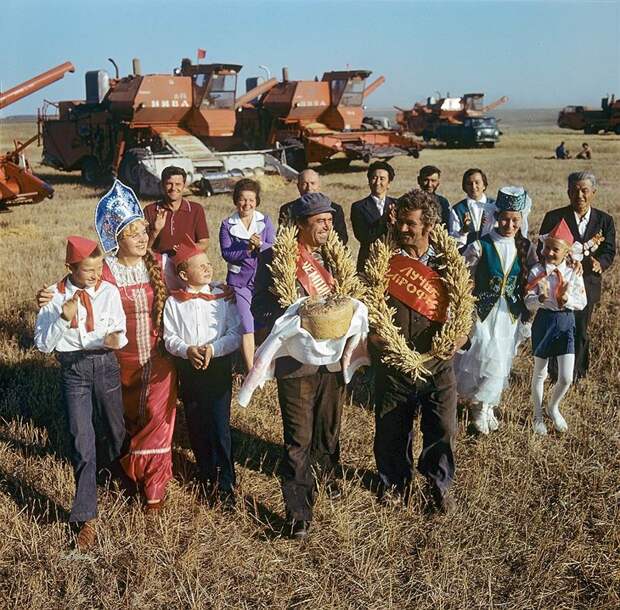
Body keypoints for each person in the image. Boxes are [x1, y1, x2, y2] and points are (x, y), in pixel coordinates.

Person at [253, 192, 348, 539]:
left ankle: (326, 480)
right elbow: (258, 307)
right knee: (298, 437)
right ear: (300, 226)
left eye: (329, 220)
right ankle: (298, 514)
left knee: (328, 429)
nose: (327, 226)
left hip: (333, 361)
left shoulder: (334, 257)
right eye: (319, 221)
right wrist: (289, 320)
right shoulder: (275, 258)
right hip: (296, 364)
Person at [370, 189, 468, 512]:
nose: (403, 229)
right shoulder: (384, 260)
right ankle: (395, 484)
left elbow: (468, 311)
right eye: (400, 222)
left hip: (437, 365)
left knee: (441, 428)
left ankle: (438, 485)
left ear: (428, 226)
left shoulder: (448, 264)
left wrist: (459, 336)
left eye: (410, 224)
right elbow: (366, 302)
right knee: (391, 430)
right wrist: (373, 333)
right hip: (394, 366)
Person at [34, 236, 127, 550]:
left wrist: (116, 339)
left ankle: (112, 474)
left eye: (99, 267)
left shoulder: (109, 291)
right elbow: (44, 345)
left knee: (116, 430)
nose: (96, 275)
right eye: (88, 270)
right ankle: (86, 516)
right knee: (80, 439)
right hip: (73, 370)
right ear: (69, 267)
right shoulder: (52, 296)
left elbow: (119, 329)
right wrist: (63, 318)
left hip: (106, 364)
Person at [163, 239, 242, 504]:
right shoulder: (174, 303)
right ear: (184, 275)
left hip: (217, 367)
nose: (208, 269)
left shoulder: (223, 297)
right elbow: (169, 337)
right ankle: (206, 472)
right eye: (201, 266)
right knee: (196, 422)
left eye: (209, 264)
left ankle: (226, 482)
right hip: (189, 367)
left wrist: (214, 348)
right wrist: (187, 350)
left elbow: (235, 333)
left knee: (219, 424)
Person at [454, 187, 536, 434]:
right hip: (483, 311)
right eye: (505, 219)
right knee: (480, 356)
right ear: (495, 216)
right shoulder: (482, 245)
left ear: (522, 220)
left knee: (500, 359)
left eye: (515, 220)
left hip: (508, 313)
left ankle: (488, 405)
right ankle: (478, 407)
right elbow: (461, 270)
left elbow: (536, 274)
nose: (509, 224)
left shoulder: (525, 247)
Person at [538, 171, 616, 380]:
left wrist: (601, 264)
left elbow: (609, 250)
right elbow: (542, 249)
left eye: (584, 191)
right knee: (557, 326)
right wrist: (562, 261)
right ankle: (554, 372)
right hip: (559, 283)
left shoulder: (604, 220)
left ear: (594, 192)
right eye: (574, 191)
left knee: (580, 329)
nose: (579, 195)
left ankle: (578, 372)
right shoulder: (554, 217)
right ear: (568, 192)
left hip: (587, 284)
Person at [525, 220, 587, 434]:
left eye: (555, 249)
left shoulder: (572, 273)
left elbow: (582, 301)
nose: (549, 252)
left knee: (566, 377)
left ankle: (553, 407)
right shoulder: (536, 271)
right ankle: (537, 414)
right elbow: (527, 301)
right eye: (547, 247)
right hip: (544, 321)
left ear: (567, 251)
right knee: (540, 373)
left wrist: (565, 299)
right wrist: (541, 299)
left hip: (566, 322)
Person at [219, 178, 276, 371]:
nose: (247, 204)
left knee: (263, 321)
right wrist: (248, 249)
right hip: (239, 282)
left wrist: (260, 245)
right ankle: (252, 370)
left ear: (257, 201)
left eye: (251, 200)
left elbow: (274, 248)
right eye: (243, 199)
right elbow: (226, 253)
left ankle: (264, 362)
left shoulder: (265, 221)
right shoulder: (227, 225)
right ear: (236, 201)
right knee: (246, 322)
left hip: (263, 280)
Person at [144, 166, 210, 255]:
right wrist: (155, 231)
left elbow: (204, 243)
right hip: (159, 263)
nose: (173, 188)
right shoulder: (150, 210)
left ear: (184, 185)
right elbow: (144, 247)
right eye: (169, 183)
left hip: (188, 261)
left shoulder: (196, 209)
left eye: (178, 184)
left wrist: (184, 251)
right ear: (162, 185)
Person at [278, 168, 349, 244]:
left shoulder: (334, 209)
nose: (309, 188)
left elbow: (342, 238)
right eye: (304, 184)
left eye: (312, 183)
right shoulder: (288, 209)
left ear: (319, 185)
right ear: (298, 186)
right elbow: (283, 237)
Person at [351, 160, 397, 271]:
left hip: (394, 260)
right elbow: (363, 237)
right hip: (369, 260)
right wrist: (386, 218)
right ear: (369, 181)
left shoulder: (398, 204)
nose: (377, 182)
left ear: (389, 183)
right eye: (374, 178)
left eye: (382, 179)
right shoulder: (358, 207)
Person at [450, 168, 497, 251]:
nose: (473, 186)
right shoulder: (457, 210)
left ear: (484, 185)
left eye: (477, 182)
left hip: (491, 252)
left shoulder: (494, 206)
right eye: (469, 183)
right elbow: (453, 242)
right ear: (464, 187)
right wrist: (463, 231)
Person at [417, 165, 452, 232]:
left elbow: (446, 228)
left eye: (433, 181)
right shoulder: (409, 201)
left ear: (438, 182)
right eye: (425, 180)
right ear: (419, 180)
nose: (429, 184)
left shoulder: (443, 203)